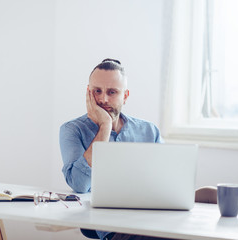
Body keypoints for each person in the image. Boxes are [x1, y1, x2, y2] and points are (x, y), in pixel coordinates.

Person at [59, 59, 216, 240]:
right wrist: (105, 127)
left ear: (125, 96)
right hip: (116, 226)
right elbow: (79, 184)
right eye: (97, 91)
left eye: (112, 92)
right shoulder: (72, 130)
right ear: (88, 93)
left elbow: (166, 182)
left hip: (155, 219)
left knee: (209, 211)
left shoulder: (149, 130)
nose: (103, 99)